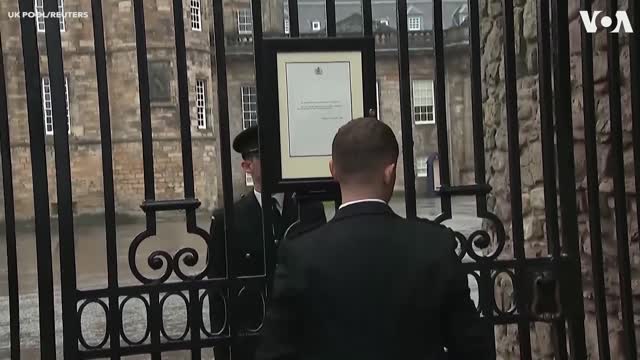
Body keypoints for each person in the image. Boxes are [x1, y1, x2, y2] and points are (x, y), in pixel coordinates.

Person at [256, 117, 494, 360]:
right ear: (390, 172)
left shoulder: (299, 255)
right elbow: (473, 350)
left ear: (333, 170)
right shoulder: (434, 246)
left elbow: (274, 354)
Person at [208, 125, 327, 360]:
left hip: (303, 341)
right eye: (264, 155)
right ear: (247, 166)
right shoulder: (227, 220)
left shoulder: (310, 209)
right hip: (252, 344)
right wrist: (223, 352)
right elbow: (218, 295)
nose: (273, 160)